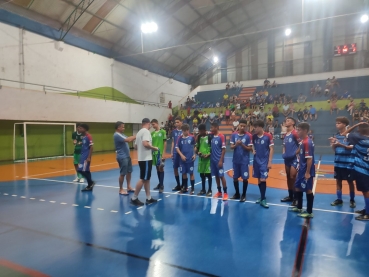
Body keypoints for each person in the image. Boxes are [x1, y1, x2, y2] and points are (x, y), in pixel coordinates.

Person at [328, 117, 356, 208]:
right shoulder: (336, 135)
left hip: (348, 163)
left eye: (339, 123)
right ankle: (339, 199)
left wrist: (340, 144)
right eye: (336, 123)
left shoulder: (350, 135)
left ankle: (352, 200)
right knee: (338, 181)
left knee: (350, 182)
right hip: (338, 162)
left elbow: (352, 147)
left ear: (344, 124)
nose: (337, 125)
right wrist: (333, 144)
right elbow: (334, 149)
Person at [344, 122, 369, 220]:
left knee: (366, 191)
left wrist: (356, 124)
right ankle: (366, 209)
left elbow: (344, 133)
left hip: (362, 169)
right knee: (365, 190)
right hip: (367, 168)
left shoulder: (358, 138)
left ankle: (367, 213)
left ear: (360, 130)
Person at [131, 118, 158, 206]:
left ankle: (148, 198)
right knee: (143, 179)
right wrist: (154, 148)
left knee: (147, 179)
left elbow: (135, 147)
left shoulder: (139, 132)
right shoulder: (146, 132)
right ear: (148, 123)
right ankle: (134, 198)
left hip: (141, 158)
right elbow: (145, 144)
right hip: (146, 159)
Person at [290, 123, 315, 218]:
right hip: (301, 169)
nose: (297, 131)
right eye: (297, 129)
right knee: (297, 187)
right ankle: (299, 206)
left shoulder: (307, 142)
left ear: (305, 130)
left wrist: (307, 172)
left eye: (299, 130)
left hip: (305, 170)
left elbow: (309, 158)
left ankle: (309, 212)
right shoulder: (302, 141)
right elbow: (299, 151)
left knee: (308, 189)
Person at [252, 120, 274, 208]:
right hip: (256, 161)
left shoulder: (268, 136)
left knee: (263, 179)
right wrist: (253, 150)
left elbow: (271, 149)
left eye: (256, 127)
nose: (255, 129)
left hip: (264, 161)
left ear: (261, 127)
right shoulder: (254, 136)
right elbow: (252, 145)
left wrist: (270, 161)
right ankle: (261, 197)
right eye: (254, 127)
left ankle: (263, 199)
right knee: (258, 179)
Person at [230, 119, 253, 202]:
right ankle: (237, 193)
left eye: (244, 126)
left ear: (246, 126)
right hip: (235, 160)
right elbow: (231, 147)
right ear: (238, 126)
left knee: (245, 178)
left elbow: (250, 148)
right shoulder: (233, 135)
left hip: (244, 161)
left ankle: (243, 194)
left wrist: (242, 144)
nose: (242, 127)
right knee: (235, 177)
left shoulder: (249, 135)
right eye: (241, 125)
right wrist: (236, 144)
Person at [281, 117, 300, 206]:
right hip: (287, 159)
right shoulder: (285, 135)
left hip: (294, 159)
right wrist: (283, 153)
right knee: (288, 177)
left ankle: (296, 198)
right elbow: (284, 146)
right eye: (286, 120)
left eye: (288, 120)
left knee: (293, 177)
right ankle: (290, 196)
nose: (286, 121)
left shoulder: (295, 133)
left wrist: (294, 153)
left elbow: (301, 144)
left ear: (293, 123)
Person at [113, 121, 136, 195]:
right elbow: (129, 140)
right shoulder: (117, 135)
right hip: (122, 157)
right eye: (122, 127)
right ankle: (121, 189)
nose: (124, 128)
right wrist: (139, 134)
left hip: (127, 156)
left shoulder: (122, 134)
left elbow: (130, 138)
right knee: (123, 173)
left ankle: (129, 187)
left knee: (129, 172)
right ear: (118, 127)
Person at [176, 124, 196, 194]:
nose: (186, 132)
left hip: (190, 159)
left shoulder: (192, 137)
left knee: (191, 173)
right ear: (182, 131)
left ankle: (192, 188)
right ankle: (185, 187)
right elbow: (177, 148)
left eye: (187, 130)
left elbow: (195, 146)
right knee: (184, 173)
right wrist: (181, 155)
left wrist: (194, 154)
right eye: (184, 131)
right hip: (182, 159)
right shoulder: (179, 138)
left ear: (188, 130)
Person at [210, 122, 228, 200]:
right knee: (216, 176)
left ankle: (226, 193)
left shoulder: (221, 136)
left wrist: (221, 161)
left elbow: (224, 150)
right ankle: (219, 192)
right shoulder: (211, 136)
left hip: (218, 160)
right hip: (212, 160)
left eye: (212, 127)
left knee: (221, 176)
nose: (211, 129)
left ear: (216, 127)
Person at [195, 124, 212, 196]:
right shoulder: (198, 137)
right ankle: (203, 189)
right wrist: (197, 152)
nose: (201, 132)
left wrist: (208, 154)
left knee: (208, 175)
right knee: (202, 175)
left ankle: (210, 190)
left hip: (208, 160)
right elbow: (196, 147)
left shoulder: (209, 137)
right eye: (200, 131)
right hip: (201, 159)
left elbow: (212, 148)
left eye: (202, 131)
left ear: (205, 130)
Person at [151, 119, 167, 193]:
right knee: (157, 169)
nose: (153, 126)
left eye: (154, 124)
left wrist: (164, 153)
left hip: (160, 153)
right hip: (154, 153)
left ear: (157, 123)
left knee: (161, 168)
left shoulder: (163, 132)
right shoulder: (152, 133)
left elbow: (165, 143)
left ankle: (162, 185)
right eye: (152, 124)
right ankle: (160, 183)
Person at [78, 124, 95, 192]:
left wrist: (89, 157)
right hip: (82, 155)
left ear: (85, 129)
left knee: (81, 170)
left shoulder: (89, 136)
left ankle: (91, 182)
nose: (79, 129)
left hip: (86, 156)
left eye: (81, 128)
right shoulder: (83, 136)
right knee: (87, 171)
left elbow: (91, 147)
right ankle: (89, 186)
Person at [171, 117, 183, 191]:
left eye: (178, 122)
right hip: (175, 153)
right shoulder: (174, 131)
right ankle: (178, 185)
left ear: (181, 122)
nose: (176, 124)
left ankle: (184, 185)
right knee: (175, 169)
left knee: (183, 169)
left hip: (182, 153)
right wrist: (171, 152)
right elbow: (173, 142)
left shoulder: (184, 131)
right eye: (175, 122)